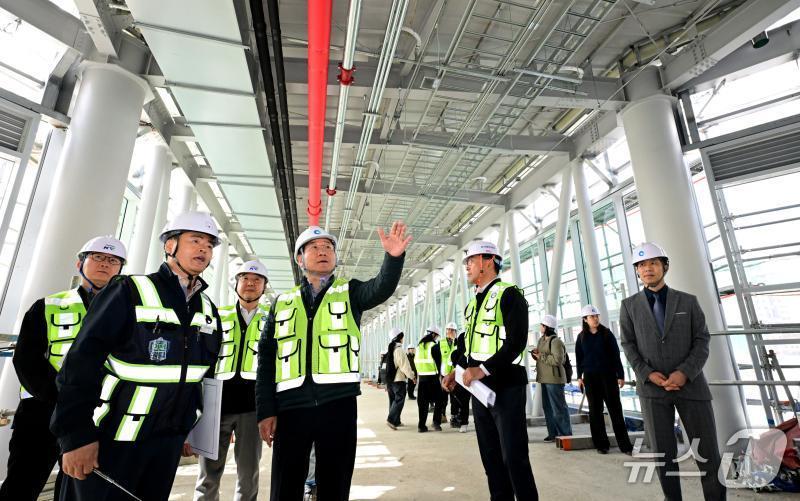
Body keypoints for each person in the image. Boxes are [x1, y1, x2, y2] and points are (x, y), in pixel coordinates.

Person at [51, 211, 223, 501]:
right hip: (113, 438)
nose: (204, 249)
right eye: (195, 240)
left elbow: (203, 376)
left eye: (209, 244)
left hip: (167, 444)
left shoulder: (208, 309)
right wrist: (75, 437)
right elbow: (81, 365)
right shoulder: (128, 291)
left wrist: (193, 431)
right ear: (170, 246)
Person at [256, 223, 409, 501]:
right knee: (284, 484)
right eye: (314, 247)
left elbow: (379, 288)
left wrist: (393, 259)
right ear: (300, 259)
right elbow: (266, 358)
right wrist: (265, 411)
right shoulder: (281, 302)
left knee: (335, 483)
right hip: (291, 407)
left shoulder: (349, 292)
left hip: (338, 404)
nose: (322, 251)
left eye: (328, 247)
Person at [0, 236, 126, 501]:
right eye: (98, 257)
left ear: (120, 269)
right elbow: (27, 360)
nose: (105, 264)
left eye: (113, 260)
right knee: (22, 483)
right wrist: (64, 399)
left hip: (96, 414)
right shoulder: (47, 306)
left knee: (79, 488)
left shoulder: (128, 313)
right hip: (42, 411)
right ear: (80, 263)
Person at [619, 243, 725, 500]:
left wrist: (685, 372)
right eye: (642, 265)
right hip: (652, 391)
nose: (647, 269)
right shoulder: (629, 306)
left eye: (653, 263)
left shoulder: (687, 301)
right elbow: (628, 344)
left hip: (691, 387)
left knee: (708, 454)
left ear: (664, 266)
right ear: (637, 271)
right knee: (663, 457)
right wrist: (647, 373)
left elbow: (702, 339)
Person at [442, 240, 538, 500]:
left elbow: (517, 342)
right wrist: (456, 371)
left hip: (506, 387)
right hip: (480, 390)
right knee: (491, 457)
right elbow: (470, 348)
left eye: (470, 261)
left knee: (513, 456)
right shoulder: (473, 304)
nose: (467, 267)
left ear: (487, 261)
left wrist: (482, 369)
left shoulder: (510, 295)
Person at [194, 260, 270, 501]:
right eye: (245, 278)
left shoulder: (273, 319)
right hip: (216, 404)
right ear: (235, 283)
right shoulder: (217, 316)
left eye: (257, 280)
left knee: (248, 474)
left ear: (264, 287)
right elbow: (201, 359)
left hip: (253, 407)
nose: (250, 283)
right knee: (207, 474)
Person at [575, 304, 632, 455]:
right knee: (595, 411)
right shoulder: (581, 338)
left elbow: (615, 355)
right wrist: (579, 377)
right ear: (585, 319)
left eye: (597, 316)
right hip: (590, 378)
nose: (595, 318)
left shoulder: (607, 334)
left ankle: (625, 445)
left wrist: (620, 375)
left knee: (615, 410)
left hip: (608, 376)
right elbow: (579, 358)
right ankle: (601, 445)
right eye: (592, 317)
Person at [532, 315, 572, 442]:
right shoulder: (541, 340)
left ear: (546, 327)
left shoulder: (556, 342)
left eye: (542, 325)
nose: (540, 327)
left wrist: (540, 356)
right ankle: (553, 433)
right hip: (544, 378)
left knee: (558, 408)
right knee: (548, 408)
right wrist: (536, 354)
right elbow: (541, 356)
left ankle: (565, 435)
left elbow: (558, 360)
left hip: (554, 379)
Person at [385, 328, 415, 430]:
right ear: (399, 338)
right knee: (399, 400)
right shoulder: (399, 350)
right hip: (398, 380)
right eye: (402, 337)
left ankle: (396, 421)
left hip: (390, 381)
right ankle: (391, 420)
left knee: (393, 400)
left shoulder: (390, 350)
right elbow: (405, 366)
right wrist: (412, 376)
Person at [416, 326, 444, 432]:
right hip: (433, 378)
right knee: (439, 400)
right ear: (433, 335)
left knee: (423, 403)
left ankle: (421, 426)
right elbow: (438, 363)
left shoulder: (419, 346)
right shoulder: (434, 346)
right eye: (436, 336)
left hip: (422, 378)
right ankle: (436, 423)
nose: (436, 338)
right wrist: (440, 377)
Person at [450, 330, 471, 433]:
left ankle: (464, 423)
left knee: (464, 402)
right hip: (470, 379)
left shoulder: (454, 354)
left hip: (461, 381)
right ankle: (464, 422)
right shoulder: (469, 354)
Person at [439, 322, 458, 428]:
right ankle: (442, 415)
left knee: (454, 397)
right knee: (443, 397)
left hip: (455, 374)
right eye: (448, 330)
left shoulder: (459, 343)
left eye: (452, 330)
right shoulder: (441, 343)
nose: (450, 332)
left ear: (455, 332)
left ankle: (454, 417)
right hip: (444, 374)